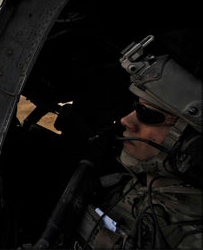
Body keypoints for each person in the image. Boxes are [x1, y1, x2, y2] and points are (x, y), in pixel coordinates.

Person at [77, 34, 202, 249]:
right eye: (136, 106)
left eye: (147, 115)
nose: (126, 121)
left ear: (192, 144)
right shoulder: (126, 184)